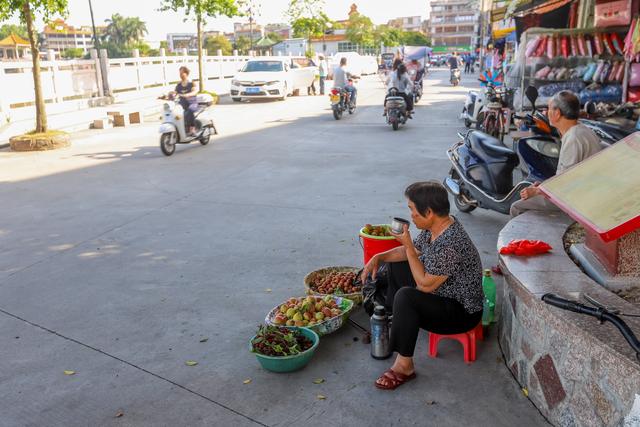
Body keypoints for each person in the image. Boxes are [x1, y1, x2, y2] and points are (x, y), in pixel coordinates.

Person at [361, 181, 483, 390]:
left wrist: (407, 245)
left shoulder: (451, 244)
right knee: (396, 265)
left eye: (412, 210)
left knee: (407, 297)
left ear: (428, 212)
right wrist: (379, 257)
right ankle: (395, 322)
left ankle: (404, 365)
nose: (411, 216)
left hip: (461, 313)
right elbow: (413, 252)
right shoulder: (437, 226)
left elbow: (425, 286)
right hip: (443, 294)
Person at [510, 90, 602, 217]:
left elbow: (564, 183)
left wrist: (537, 190)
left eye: (548, 109)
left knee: (517, 207)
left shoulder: (573, 138)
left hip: (577, 200)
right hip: (585, 192)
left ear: (557, 113)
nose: (546, 113)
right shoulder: (582, 130)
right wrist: (544, 186)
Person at [171, 66, 198, 136]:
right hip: (182, 104)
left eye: (182, 73)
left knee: (190, 110)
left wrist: (188, 95)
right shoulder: (179, 84)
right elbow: (174, 93)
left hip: (192, 103)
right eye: (180, 73)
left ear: (186, 73)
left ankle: (192, 128)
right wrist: (168, 95)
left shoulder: (191, 83)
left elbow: (195, 92)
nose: (180, 74)